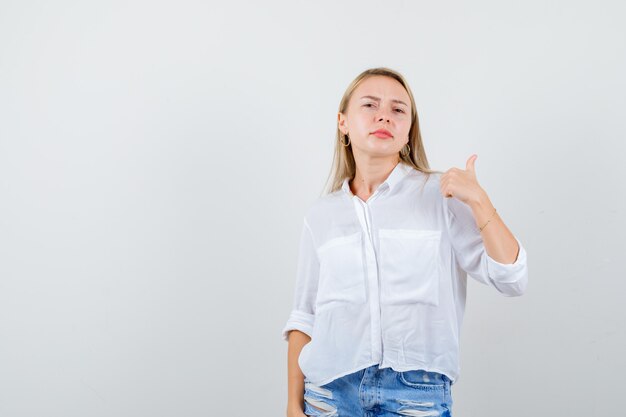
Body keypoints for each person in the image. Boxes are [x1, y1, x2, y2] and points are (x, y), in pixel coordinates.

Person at [282, 67, 528, 417]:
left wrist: (479, 201)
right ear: (343, 123)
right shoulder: (321, 215)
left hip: (416, 397)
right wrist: (293, 405)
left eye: (399, 109)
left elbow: (513, 279)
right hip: (328, 396)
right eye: (370, 105)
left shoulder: (441, 195)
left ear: (409, 131)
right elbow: (304, 317)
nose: (384, 114)